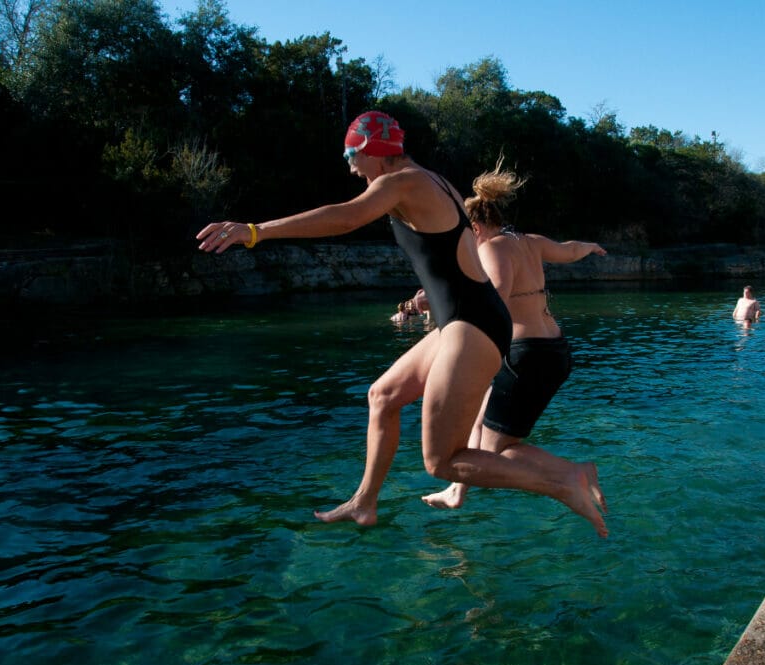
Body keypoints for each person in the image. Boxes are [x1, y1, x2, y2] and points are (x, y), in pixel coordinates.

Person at [196, 111, 608, 537]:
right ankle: (364, 503)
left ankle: (564, 481)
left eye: (350, 154)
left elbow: (345, 217)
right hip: (465, 317)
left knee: (442, 461)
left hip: (472, 324)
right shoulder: (429, 181)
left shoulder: (402, 182)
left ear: (373, 150)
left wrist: (254, 231)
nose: (351, 165)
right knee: (383, 396)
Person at [421, 159, 607, 511]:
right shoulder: (529, 241)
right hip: (554, 349)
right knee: (477, 417)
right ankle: (455, 492)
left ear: (475, 227)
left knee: (495, 453)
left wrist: (442, 308)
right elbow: (568, 249)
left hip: (529, 356)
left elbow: (498, 296)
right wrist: (589, 245)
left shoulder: (492, 248)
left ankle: (576, 471)